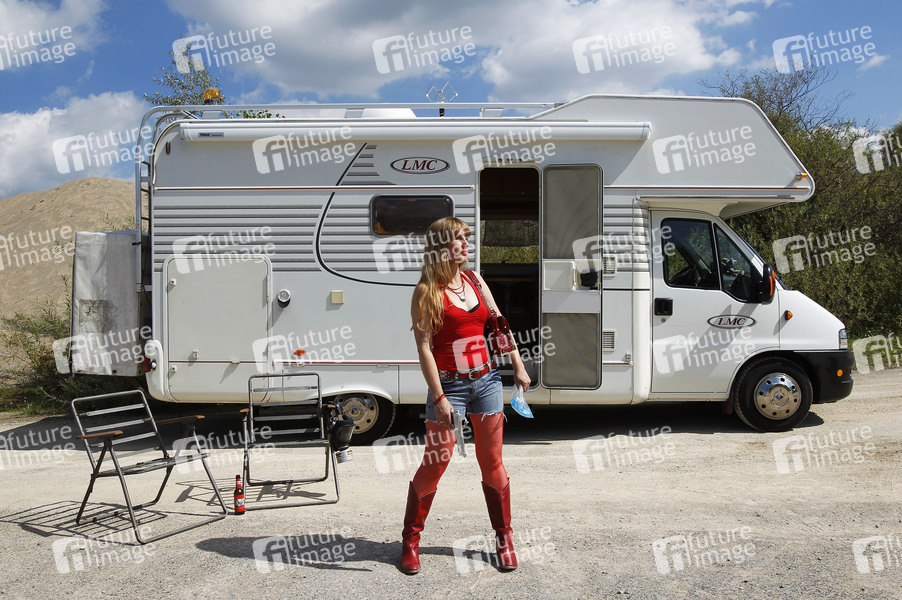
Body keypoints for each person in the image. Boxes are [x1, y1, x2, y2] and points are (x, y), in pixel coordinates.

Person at [400, 216, 531, 574]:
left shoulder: (474, 279)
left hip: (487, 380)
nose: (466, 244)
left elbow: (499, 323)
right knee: (436, 462)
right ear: (441, 245)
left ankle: (504, 540)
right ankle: (410, 541)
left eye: (467, 238)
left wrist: (518, 365)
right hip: (450, 386)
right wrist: (439, 397)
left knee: (492, 461)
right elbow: (424, 348)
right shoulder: (427, 290)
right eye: (459, 238)